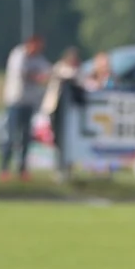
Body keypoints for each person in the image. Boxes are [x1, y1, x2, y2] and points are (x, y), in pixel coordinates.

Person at [1, 34, 51, 181]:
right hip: (15, 102)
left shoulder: (38, 58)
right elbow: (22, 73)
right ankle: (4, 169)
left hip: (29, 103)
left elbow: (47, 70)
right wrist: (38, 77)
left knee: (26, 138)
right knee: (11, 136)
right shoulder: (18, 55)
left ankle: (22, 170)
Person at [38, 47, 83, 178]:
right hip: (55, 109)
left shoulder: (78, 71)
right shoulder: (59, 68)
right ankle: (59, 166)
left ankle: (67, 167)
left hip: (71, 112)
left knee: (69, 140)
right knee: (58, 139)